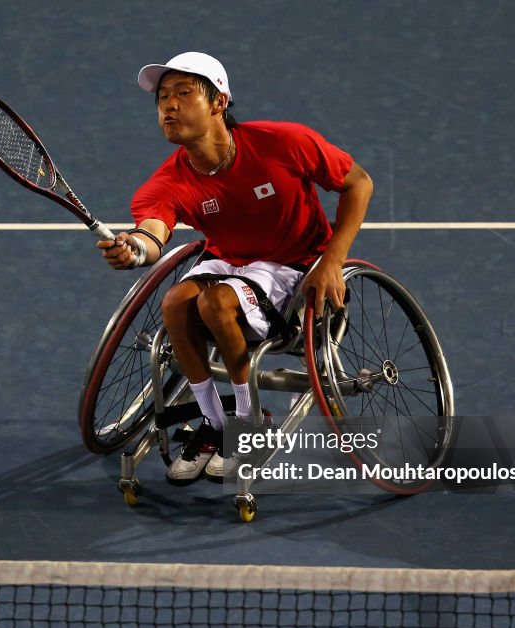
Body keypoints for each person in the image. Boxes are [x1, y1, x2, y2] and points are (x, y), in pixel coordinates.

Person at [98, 52, 373, 485]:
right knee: (175, 304)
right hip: (227, 262)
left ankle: (248, 423)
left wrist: (332, 260)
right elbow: (153, 232)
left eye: (183, 93)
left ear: (218, 102)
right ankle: (216, 423)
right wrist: (133, 250)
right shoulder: (166, 182)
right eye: (162, 98)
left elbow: (358, 182)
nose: (168, 106)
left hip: (295, 268)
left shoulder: (283, 142)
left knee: (217, 303)